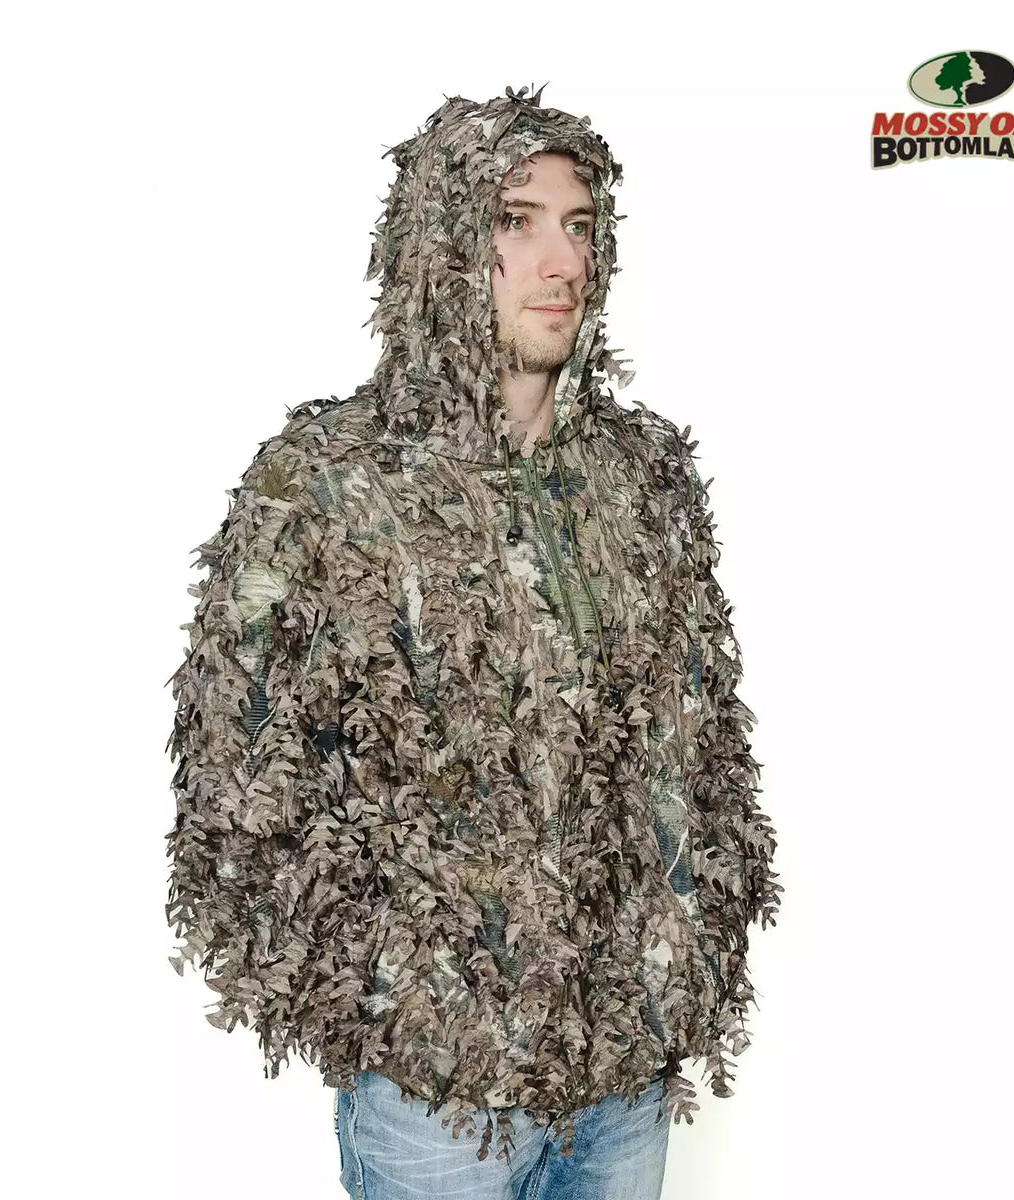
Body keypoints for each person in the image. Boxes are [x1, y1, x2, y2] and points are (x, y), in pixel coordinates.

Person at [164, 83, 781, 1200]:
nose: (562, 262)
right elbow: (234, 782)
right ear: (440, 245)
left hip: (623, 1085)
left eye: (579, 226)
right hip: (434, 1105)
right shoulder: (327, 488)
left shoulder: (642, 480)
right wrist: (394, 999)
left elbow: (707, 747)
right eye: (516, 221)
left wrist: (686, 960)